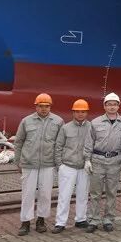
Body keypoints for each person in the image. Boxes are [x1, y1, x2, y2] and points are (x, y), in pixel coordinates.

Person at [15, 93, 64, 236]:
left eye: (46, 106)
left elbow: (60, 144)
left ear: (50, 107)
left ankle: (41, 220)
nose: (43, 109)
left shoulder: (58, 121)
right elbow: (19, 142)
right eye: (41, 106)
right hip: (29, 163)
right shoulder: (26, 121)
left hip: (48, 164)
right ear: (36, 106)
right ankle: (25, 222)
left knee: (45, 194)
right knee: (28, 194)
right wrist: (17, 161)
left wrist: (58, 163)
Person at [85, 93, 121, 233]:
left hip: (115, 161)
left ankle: (108, 220)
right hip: (98, 161)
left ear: (118, 106)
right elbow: (89, 142)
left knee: (111, 193)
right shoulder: (95, 122)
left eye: (114, 104)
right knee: (95, 193)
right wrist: (87, 160)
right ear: (104, 106)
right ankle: (94, 220)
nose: (112, 107)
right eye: (109, 104)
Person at [52, 99, 92, 233]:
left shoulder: (91, 127)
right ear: (73, 112)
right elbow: (58, 147)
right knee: (64, 196)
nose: (80, 114)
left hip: (84, 167)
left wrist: (89, 162)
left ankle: (81, 219)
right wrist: (60, 165)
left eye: (83, 111)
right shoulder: (65, 128)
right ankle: (60, 222)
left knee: (83, 195)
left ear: (87, 113)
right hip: (68, 166)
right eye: (77, 111)